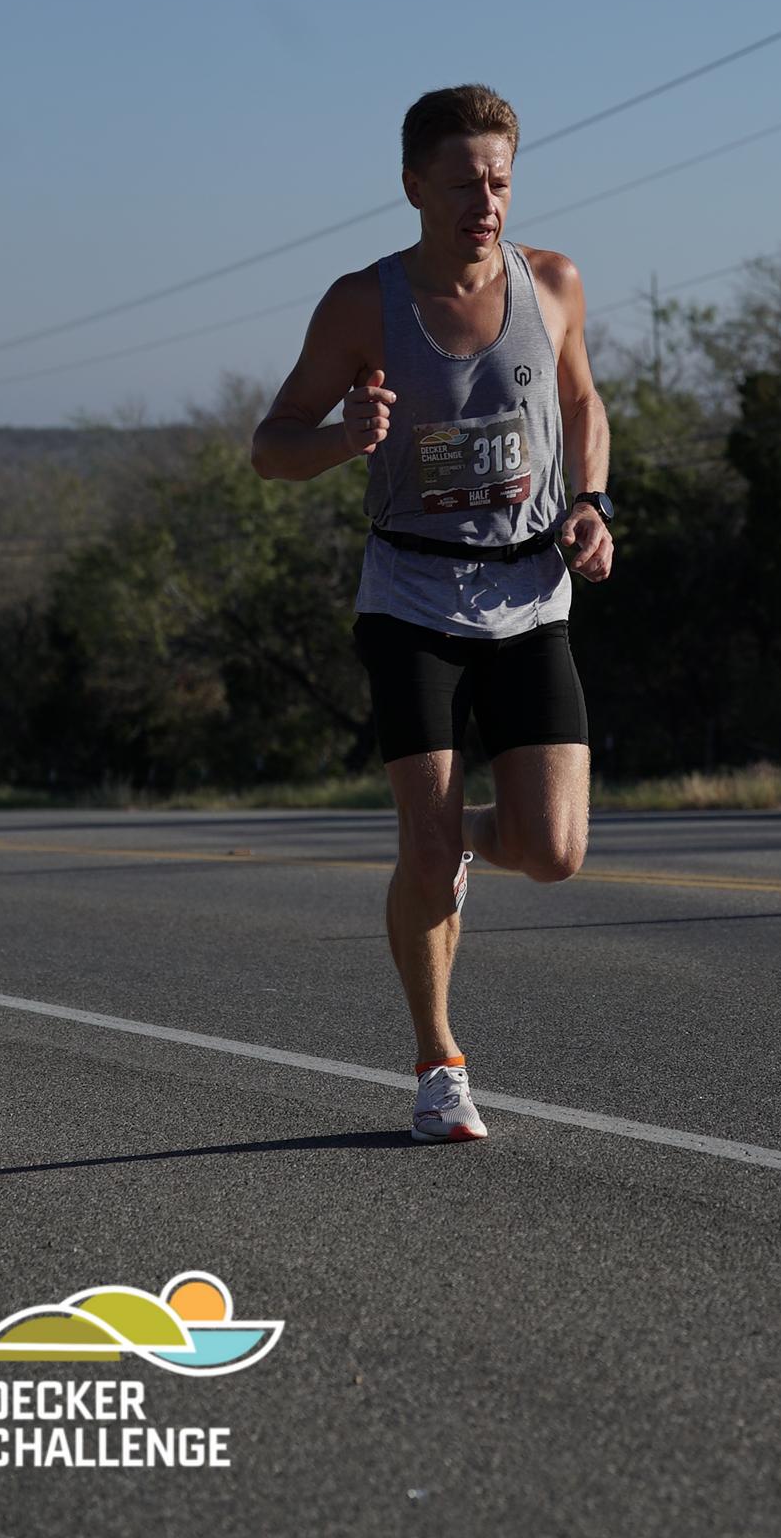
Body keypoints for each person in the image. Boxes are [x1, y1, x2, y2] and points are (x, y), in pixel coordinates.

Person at [250, 84, 613, 1142]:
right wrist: (345, 436)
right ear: (413, 187)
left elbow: (582, 400)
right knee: (422, 848)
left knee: (553, 851)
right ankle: (438, 1064)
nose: (483, 204)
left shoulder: (553, 282)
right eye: (461, 185)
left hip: (529, 591)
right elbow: (271, 446)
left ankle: (457, 840)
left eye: (499, 182)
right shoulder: (362, 305)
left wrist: (592, 503)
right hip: (411, 596)